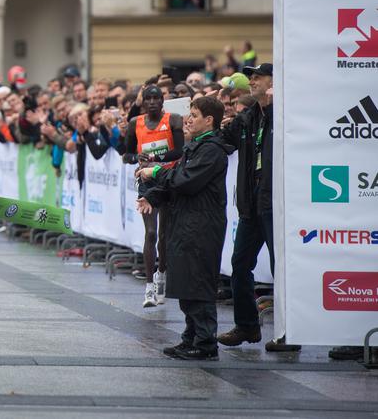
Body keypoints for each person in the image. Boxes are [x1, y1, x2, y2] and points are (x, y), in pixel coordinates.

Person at [137, 96, 233, 360]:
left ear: (209, 120)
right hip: (187, 222)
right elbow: (177, 182)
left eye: (194, 115)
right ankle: (191, 336)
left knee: (198, 282)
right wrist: (152, 196)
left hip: (201, 225)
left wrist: (155, 172)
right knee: (186, 282)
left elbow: (185, 181)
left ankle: (205, 342)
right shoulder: (196, 146)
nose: (188, 120)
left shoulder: (212, 150)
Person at [214, 63, 298, 352]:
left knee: (280, 267)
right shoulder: (249, 116)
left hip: (277, 203)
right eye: (250, 77)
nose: (252, 81)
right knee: (239, 265)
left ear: (274, 82)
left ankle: (289, 332)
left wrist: (274, 106)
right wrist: (217, 110)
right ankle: (247, 326)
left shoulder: (284, 112)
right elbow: (223, 141)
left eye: (258, 77)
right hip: (251, 203)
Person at [118, 85, 184, 307]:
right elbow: (126, 155)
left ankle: (161, 275)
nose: (153, 102)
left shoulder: (173, 120)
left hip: (168, 179)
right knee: (151, 233)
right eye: (149, 98)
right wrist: (136, 157)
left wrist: (155, 157)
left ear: (163, 101)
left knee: (164, 234)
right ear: (143, 102)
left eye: (157, 98)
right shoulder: (135, 123)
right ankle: (148, 287)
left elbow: (179, 151)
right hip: (147, 181)